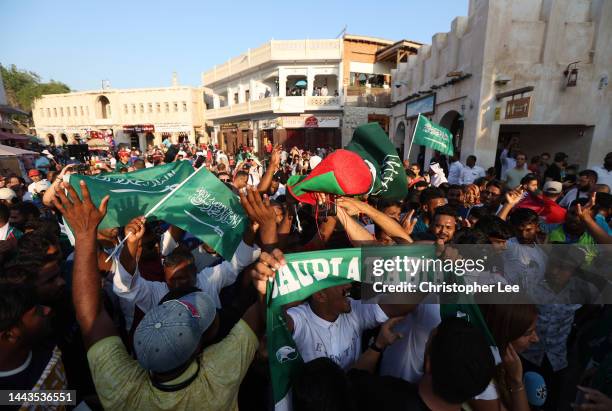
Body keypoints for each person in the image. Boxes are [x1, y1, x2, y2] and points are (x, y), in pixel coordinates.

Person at [52, 180, 270, 411]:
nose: (180, 284)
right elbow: (260, 310)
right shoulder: (221, 372)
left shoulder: (119, 386)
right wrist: (267, 232)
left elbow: (89, 315)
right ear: (199, 348)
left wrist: (85, 234)